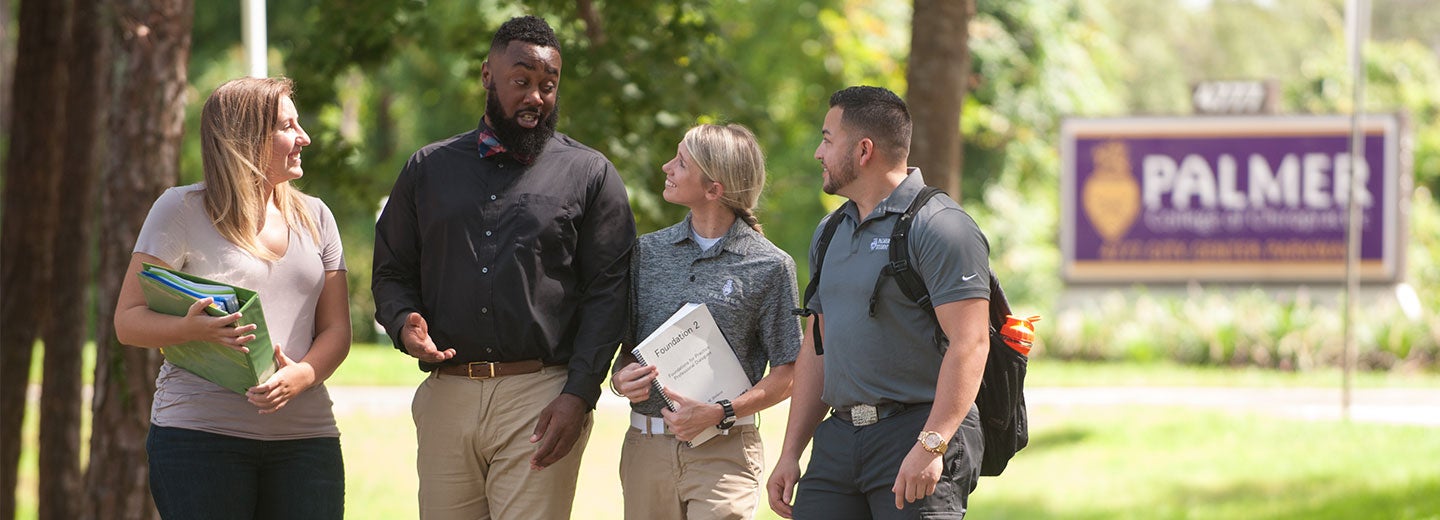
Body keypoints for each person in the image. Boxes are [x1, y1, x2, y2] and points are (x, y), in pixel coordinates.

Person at [371, 15, 635, 520]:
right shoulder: (427, 168)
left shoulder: (590, 174)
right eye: (522, 81)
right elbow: (391, 272)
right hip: (447, 394)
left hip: (541, 396)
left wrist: (579, 394)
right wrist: (403, 321)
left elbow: (610, 293)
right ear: (487, 76)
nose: (536, 96)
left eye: (548, 85)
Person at [113, 76, 351, 519]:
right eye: (287, 127)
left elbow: (336, 330)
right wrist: (189, 328)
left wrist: (302, 376)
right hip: (198, 439)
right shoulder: (179, 209)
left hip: (307, 441)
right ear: (245, 138)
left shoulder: (318, 217)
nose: (305, 138)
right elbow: (127, 321)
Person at [766, 86, 991, 519]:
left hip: (917, 432)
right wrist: (791, 451)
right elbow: (818, 344)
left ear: (864, 149)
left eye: (828, 139)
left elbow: (971, 343)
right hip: (840, 439)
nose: (818, 152)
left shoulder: (942, 227)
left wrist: (932, 444)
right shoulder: (829, 231)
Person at [610, 123, 801, 519]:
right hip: (646, 451)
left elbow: (789, 373)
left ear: (714, 189)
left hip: (725, 454)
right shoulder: (647, 252)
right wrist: (621, 377)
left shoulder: (771, 265)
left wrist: (720, 412)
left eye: (680, 162)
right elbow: (628, 351)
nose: (667, 167)